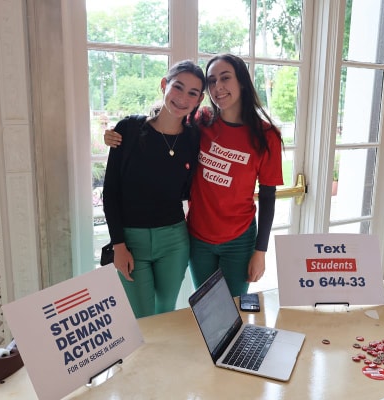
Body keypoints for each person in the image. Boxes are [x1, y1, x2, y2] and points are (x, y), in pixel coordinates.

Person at [105, 54, 283, 297]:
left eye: (225, 78)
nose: (218, 87)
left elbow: (269, 196)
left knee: (233, 307)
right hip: (198, 238)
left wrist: (261, 251)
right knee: (207, 306)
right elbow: (167, 119)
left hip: (240, 239)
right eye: (212, 81)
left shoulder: (266, 135)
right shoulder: (202, 122)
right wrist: (118, 133)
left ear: (242, 81)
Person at [102, 60, 205, 318]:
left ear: (199, 99)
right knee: (143, 319)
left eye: (192, 93)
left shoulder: (194, 139)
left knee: (166, 314)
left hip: (174, 241)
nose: (183, 98)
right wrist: (118, 245)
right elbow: (110, 192)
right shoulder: (128, 130)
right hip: (131, 241)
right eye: (178, 87)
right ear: (164, 85)